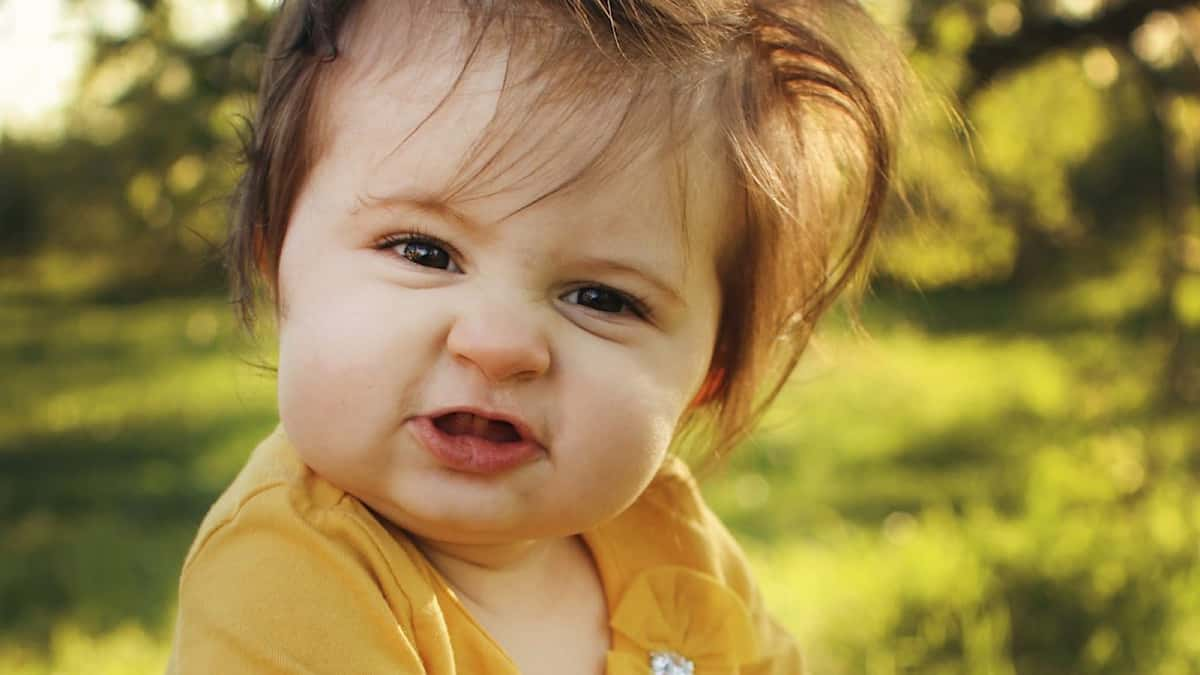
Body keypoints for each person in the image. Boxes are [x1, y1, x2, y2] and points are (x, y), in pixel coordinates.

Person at [166, 0, 907, 672]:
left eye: (601, 298)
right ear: (275, 260)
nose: (498, 344)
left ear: (704, 375)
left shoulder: (671, 545)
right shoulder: (281, 581)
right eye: (425, 252)